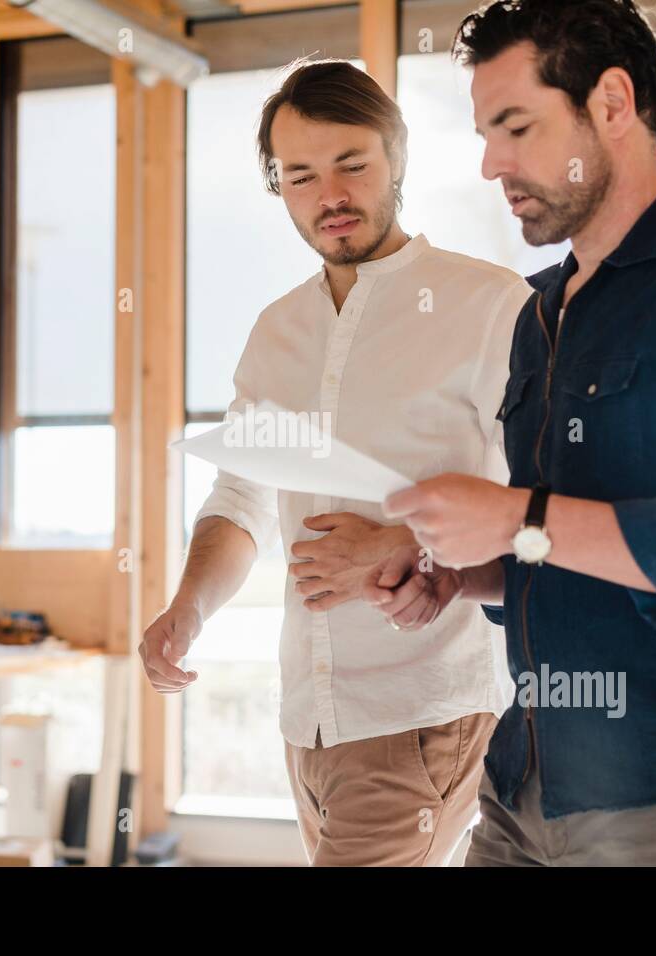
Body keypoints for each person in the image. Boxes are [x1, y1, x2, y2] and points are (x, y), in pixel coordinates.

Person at [366, 0, 656, 866]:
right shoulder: (538, 311)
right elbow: (559, 544)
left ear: (612, 104)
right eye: (483, 133)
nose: (489, 164)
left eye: (515, 127)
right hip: (523, 791)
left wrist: (511, 515)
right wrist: (464, 574)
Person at [137, 59, 530, 865]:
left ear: (398, 157)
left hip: (424, 708)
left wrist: (412, 547)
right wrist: (189, 607)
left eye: (352, 163)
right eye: (301, 175)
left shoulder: (489, 307)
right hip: (310, 720)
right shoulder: (276, 332)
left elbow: (540, 504)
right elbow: (241, 494)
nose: (331, 195)